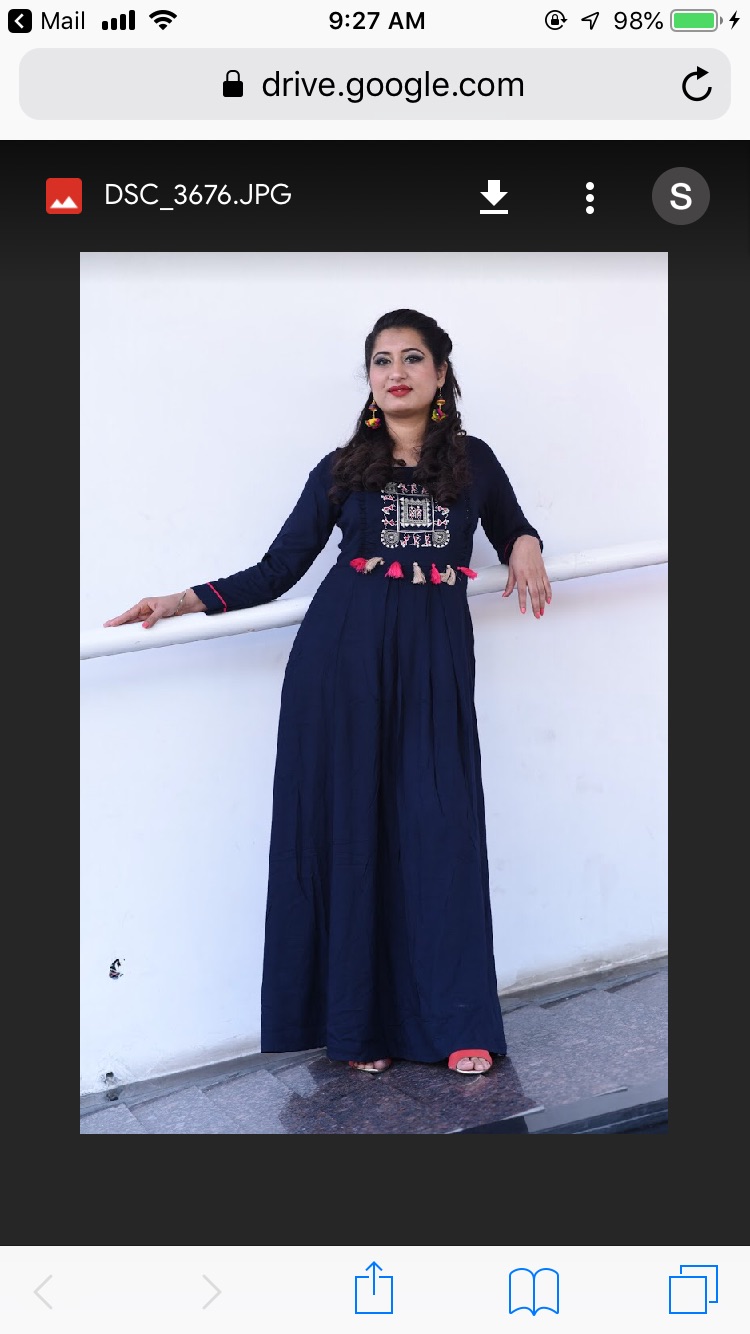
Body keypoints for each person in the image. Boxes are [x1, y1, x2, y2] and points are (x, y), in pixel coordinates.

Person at [104, 308, 552, 1077]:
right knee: (353, 839)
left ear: (442, 373)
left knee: (440, 836)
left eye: (413, 358)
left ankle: (456, 1023)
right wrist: (179, 600)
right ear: (370, 378)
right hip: (342, 669)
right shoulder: (343, 468)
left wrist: (528, 543)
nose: (396, 371)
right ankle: (358, 1030)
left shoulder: (473, 461)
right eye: (382, 360)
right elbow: (278, 568)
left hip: (434, 672)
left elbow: (511, 524)